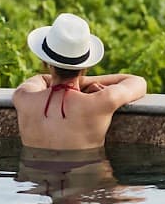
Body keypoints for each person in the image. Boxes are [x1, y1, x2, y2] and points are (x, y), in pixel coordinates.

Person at [13, 13, 147, 152]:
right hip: (89, 173)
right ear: (85, 67)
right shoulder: (103, 101)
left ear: (45, 63)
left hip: (34, 173)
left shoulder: (23, 98)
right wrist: (84, 83)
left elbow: (39, 79)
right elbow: (138, 82)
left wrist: (69, 82)